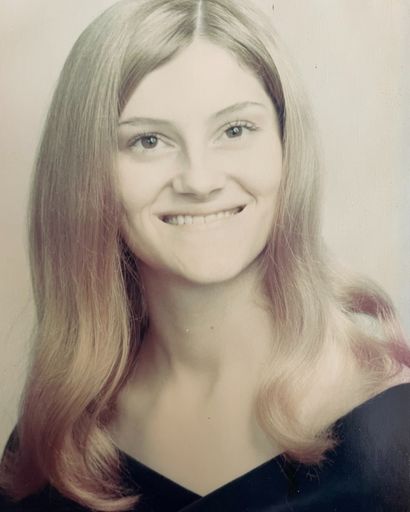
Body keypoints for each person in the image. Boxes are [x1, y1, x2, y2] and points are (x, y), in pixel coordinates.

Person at [1, 0, 409, 510]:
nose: (198, 180)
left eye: (234, 130)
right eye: (148, 140)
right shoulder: (53, 443)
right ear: (86, 174)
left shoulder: (394, 425)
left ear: (287, 148)